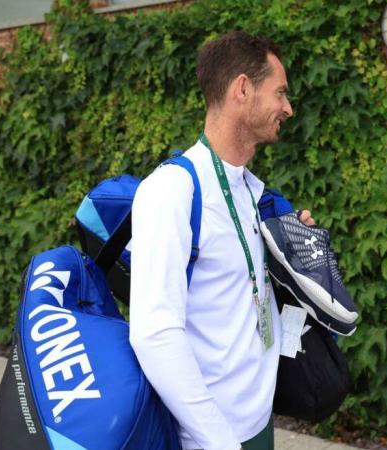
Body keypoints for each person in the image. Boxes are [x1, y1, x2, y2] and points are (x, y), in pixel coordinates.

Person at [129, 30, 312, 450]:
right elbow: (155, 335)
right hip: (208, 439)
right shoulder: (172, 191)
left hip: (257, 424)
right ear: (243, 89)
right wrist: (219, 440)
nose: (288, 107)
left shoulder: (254, 193)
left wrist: (300, 256)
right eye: (280, 92)